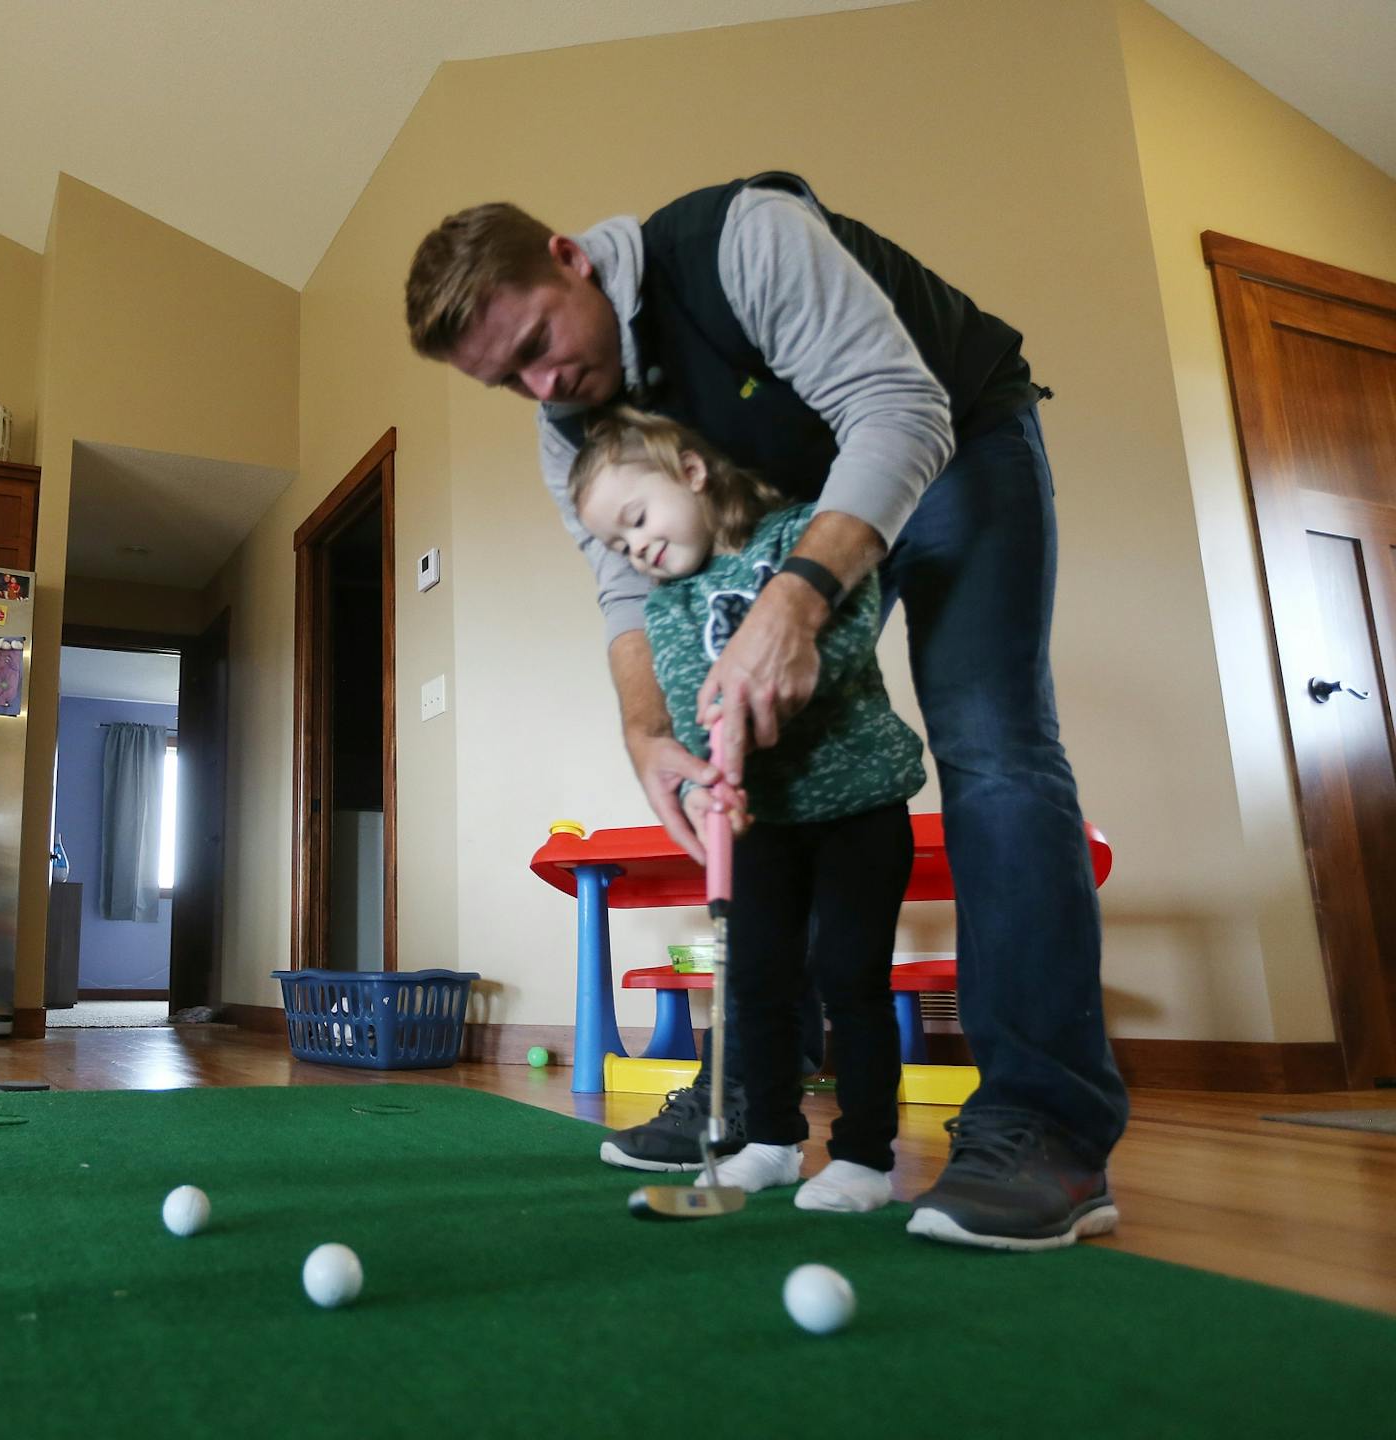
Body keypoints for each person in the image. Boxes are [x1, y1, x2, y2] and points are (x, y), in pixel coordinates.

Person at [406, 171, 1127, 1250]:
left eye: (539, 343)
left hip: (951, 437)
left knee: (992, 746)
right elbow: (624, 589)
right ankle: (752, 1099)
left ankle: (1046, 1128)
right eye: (508, 378)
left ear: (570, 258)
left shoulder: (744, 240)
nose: (543, 384)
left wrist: (795, 601)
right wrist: (649, 735)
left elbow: (898, 410)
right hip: (793, 515)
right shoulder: (568, 421)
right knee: (768, 783)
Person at [570, 408, 922, 1212]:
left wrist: (751, 701)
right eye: (619, 543)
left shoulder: (802, 535)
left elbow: (844, 640)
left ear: (691, 473)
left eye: (638, 519)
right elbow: (687, 706)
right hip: (759, 824)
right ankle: (770, 1142)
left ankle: (864, 1157)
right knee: (758, 985)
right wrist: (703, 777)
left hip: (861, 808)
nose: (637, 548)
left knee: (853, 980)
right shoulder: (668, 606)